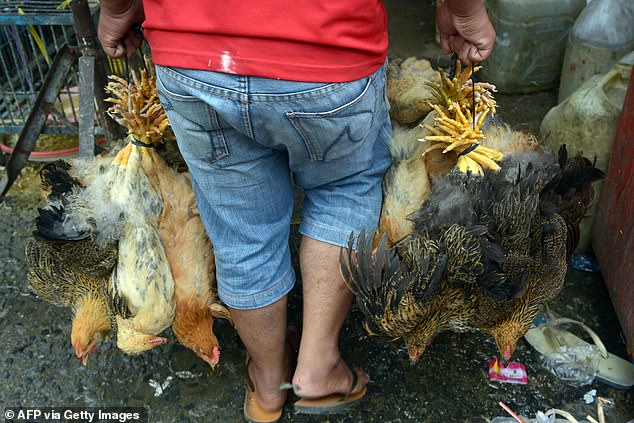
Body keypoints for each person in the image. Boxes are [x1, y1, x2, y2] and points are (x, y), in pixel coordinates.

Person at [98, 1, 495, 421]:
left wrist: (118, 8)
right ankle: (317, 367)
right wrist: (463, 10)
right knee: (343, 189)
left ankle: (269, 382)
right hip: (328, 50)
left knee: (241, 230)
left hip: (195, 56)